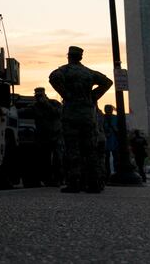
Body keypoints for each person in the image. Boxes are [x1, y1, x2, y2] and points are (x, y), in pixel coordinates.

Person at [48, 46, 112, 194]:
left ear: (69, 56)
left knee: (72, 149)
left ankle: (74, 183)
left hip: (71, 114)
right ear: (80, 57)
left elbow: (53, 77)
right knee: (90, 150)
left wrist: (65, 93)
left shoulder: (64, 70)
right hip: (87, 115)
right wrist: (93, 96)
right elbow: (107, 82)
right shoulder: (89, 73)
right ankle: (94, 183)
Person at [31, 86, 63, 186]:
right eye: (37, 95)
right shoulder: (35, 106)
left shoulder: (54, 103)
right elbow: (25, 111)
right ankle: (47, 179)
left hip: (56, 135)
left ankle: (58, 179)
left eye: (41, 95)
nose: (39, 97)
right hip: (43, 136)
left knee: (57, 158)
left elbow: (58, 113)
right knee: (44, 159)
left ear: (45, 95)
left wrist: (46, 104)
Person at [102, 104, 118, 178]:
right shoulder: (102, 118)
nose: (108, 111)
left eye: (109, 109)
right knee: (106, 158)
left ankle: (115, 171)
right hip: (105, 140)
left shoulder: (115, 118)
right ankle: (107, 172)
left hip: (114, 140)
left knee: (115, 157)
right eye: (107, 109)